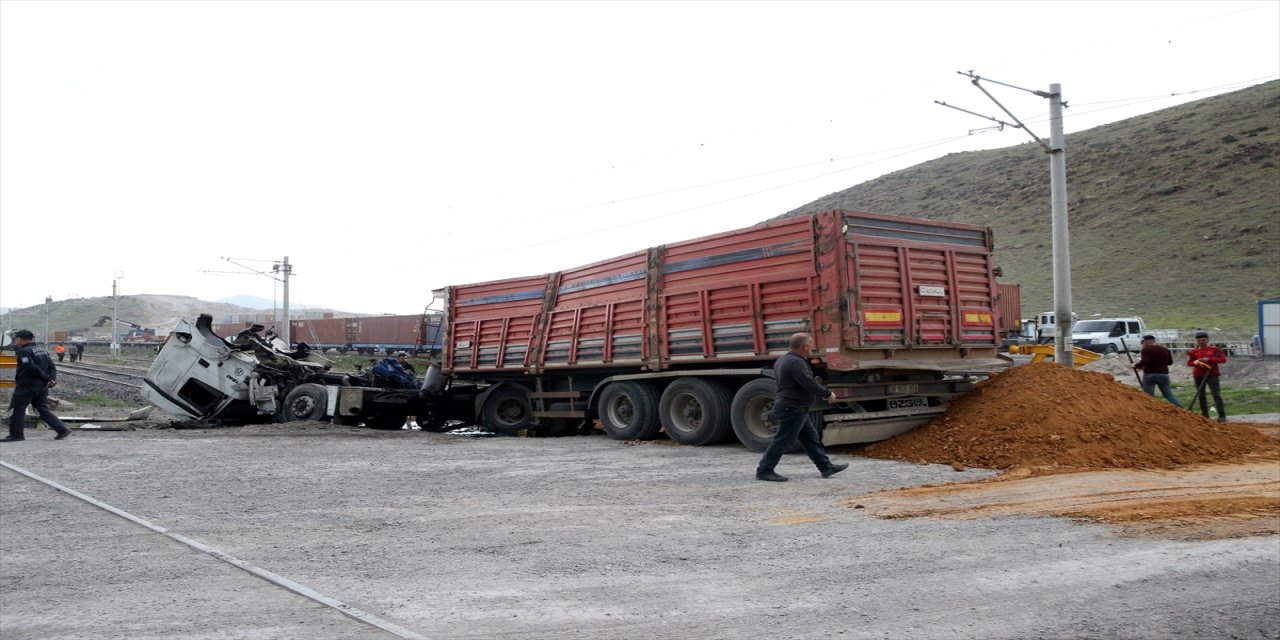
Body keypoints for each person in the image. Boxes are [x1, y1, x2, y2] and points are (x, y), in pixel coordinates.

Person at [755, 332, 848, 482]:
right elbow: (808, 383)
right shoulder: (796, 362)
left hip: (794, 407)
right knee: (782, 440)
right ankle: (764, 470)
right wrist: (827, 393)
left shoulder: (783, 359)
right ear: (805, 346)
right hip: (792, 407)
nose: (813, 346)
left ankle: (826, 467)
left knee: (811, 439)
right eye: (811, 343)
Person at [2, 329, 72, 442]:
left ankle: (16, 435)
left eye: (16, 339)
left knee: (15, 410)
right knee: (42, 409)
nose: (16, 342)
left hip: (26, 386)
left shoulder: (24, 351)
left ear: (20, 339)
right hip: (41, 387)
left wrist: (47, 378)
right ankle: (62, 429)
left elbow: (30, 367)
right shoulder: (42, 350)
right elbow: (51, 366)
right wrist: (51, 379)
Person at [1186, 330, 1228, 422]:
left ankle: (1222, 416)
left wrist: (1209, 359)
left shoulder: (1214, 350)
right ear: (1196, 341)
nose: (1201, 342)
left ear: (1207, 340)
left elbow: (1223, 359)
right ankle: (1205, 415)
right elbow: (1189, 363)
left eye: (1203, 340)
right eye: (1199, 340)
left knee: (1216, 394)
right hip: (1198, 375)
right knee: (1201, 395)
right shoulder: (1193, 351)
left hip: (1212, 374)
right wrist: (1196, 362)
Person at [1132, 335, 1181, 407]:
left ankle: (1151, 411)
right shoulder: (1165, 350)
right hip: (1163, 374)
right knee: (1168, 395)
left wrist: (1135, 365)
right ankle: (1180, 407)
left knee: (1148, 396)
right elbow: (1170, 362)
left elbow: (1145, 361)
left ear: (1146, 341)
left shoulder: (1146, 350)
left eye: (1143, 342)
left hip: (1149, 375)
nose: (1142, 344)